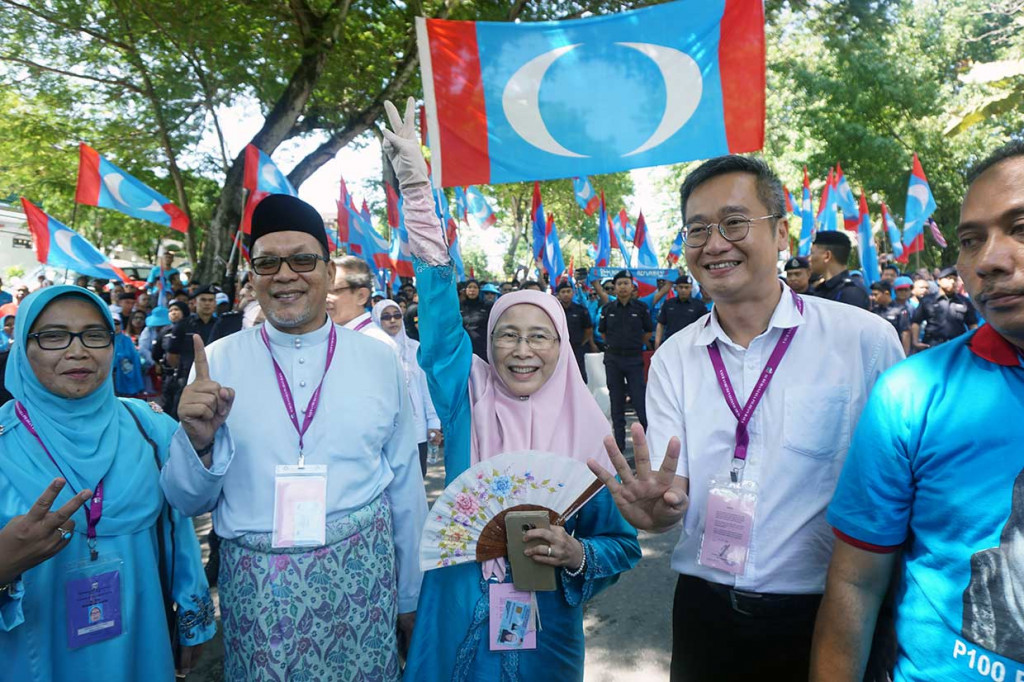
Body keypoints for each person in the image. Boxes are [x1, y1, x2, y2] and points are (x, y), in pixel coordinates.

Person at [589, 155, 903, 682]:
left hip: (828, 615)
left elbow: (895, 491)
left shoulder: (864, 341)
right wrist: (657, 512)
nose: (714, 244)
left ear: (780, 233)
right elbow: (673, 494)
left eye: (735, 223)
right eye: (697, 230)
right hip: (707, 615)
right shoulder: (674, 358)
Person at [380, 97, 640, 681]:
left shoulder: (593, 436)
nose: (523, 351)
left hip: (547, 627)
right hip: (456, 608)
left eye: (541, 337)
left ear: (563, 348)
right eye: (509, 336)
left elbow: (621, 544)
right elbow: (443, 323)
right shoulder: (467, 394)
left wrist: (577, 555)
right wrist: (418, 193)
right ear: (490, 343)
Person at [160, 193, 426, 680]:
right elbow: (185, 501)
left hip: (361, 581)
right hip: (260, 592)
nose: (285, 274)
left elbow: (405, 486)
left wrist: (410, 595)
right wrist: (197, 442)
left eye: (303, 259)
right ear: (253, 276)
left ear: (329, 273)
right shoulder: (216, 363)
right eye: (267, 262)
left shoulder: (378, 357)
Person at [810, 141, 1024, 681]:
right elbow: (856, 582)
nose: (988, 261)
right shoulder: (910, 394)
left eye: (1021, 227)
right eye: (971, 240)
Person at [0, 285, 215, 680]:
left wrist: (192, 615)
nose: (77, 351)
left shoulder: (148, 427)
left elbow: (180, 524)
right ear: (22, 347)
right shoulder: (3, 443)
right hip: (34, 649)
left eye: (94, 335)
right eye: (53, 336)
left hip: (141, 637)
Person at [372, 299, 442, 475]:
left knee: (417, 478)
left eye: (397, 315)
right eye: (386, 317)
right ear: (377, 320)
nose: (393, 320)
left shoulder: (414, 348)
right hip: (384, 429)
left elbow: (426, 389)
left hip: (416, 427)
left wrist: (433, 422)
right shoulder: (370, 349)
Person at [599, 270, 652, 452]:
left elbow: (648, 332)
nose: (622, 287)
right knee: (617, 404)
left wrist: (634, 345)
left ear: (632, 287)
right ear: (614, 287)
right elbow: (603, 332)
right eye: (619, 283)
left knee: (640, 403)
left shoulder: (640, 308)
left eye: (626, 283)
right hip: (613, 360)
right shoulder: (607, 309)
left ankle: (650, 447)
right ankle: (619, 448)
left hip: (634, 359)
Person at [326, 255, 398, 350]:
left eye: (335, 291)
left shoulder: (376, 343)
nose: (325, 298)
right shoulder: (332, 336)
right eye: (323, 291)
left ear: (361, 296)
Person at [165, 285, 218, 403]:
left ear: (215, 303)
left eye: (211, 300)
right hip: (187, 377)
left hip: (214, 375)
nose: (207, 304)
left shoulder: (220, 325)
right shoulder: (183, 325)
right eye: (203, 300)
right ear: (194, 302)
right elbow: (172, 355)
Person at [910, 265, 979, 351]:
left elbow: (972, 325)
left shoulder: (964, 301)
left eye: (955, 279)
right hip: (932, 346)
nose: (952, 282)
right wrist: (915, 342)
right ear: (939, 281)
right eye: (949, 278)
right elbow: (916, 322)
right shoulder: (928, 300)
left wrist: (975, 343)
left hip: (957, 346)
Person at [808, 232, 871, 309]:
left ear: (827, 256)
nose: (809, 259)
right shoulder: (822, 288)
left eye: (812, 253)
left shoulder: (851, 292)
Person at [557, 281, 596, 382]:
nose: (566, 294)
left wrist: (581, 343)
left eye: (568, 291)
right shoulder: (555, 310)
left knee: (579, 376)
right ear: (558, 294)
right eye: (563, 292)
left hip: (577, 348)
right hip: (558, 349)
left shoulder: (581, 310)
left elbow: (588, 330)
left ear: (573, 293)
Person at [655, 275, 707, 347]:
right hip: (670, 344)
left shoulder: (699, 306)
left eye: (686, 287)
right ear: (676, 288)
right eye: (681, 287)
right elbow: (660, 324)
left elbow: (704, 327)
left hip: (691, 345)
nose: (683, 290)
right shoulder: (668, 304)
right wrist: (657, 344)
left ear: (691, 288)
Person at [870, 281, 911, 355]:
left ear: (886, 293)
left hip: (894, 349)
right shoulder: (875, 310)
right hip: (878, 349)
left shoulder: (900, 310)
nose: (873, 297)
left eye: (876, 294)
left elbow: (905, 333)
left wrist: (905, 355)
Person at [460, 278, 492, 360]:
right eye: (469, 287)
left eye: (475, 287)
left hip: (482, 346)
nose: (472, 290)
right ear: (465, 290)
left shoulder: (487, 306)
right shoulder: (458, 307)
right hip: (463, 346)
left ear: (479, 290)